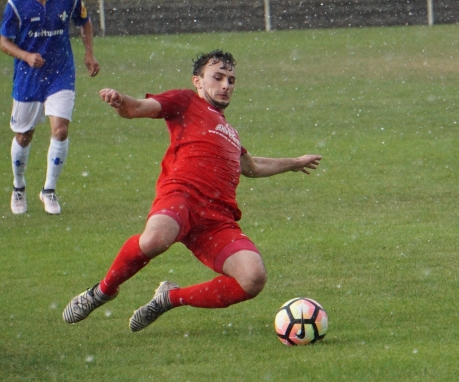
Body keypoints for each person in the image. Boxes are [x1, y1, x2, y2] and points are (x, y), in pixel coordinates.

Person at [62, 50, 322, 332]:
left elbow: (253, 166)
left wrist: (294, 163)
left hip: (216, 218)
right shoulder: (185, 101)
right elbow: (135, 108)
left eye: (231, 80)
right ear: (197, 81)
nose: (226, 85)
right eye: (218, 77)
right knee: (155, 239)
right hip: (181, 197)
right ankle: (102, 291)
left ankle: (169, 299)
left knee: (253, 278)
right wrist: (119, 100)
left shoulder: (230, 132)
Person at [0, 0, 99, 215]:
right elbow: (4, 42)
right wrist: (26, 55)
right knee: (24, 135)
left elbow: (85, 23)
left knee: (61, 130)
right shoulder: (16, 4)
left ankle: (49, 190)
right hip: (28, 77)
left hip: (60, 74)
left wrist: (89, 53)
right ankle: (19, 187)